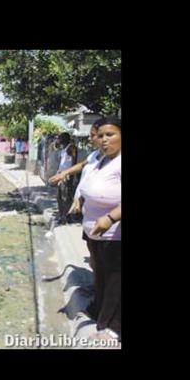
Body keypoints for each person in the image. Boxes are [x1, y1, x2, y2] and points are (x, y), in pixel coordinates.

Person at [78, 117, 121, 342]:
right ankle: (101, 316)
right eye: (101, 135)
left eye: (110, 134)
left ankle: (113, 329)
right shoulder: (102, 160)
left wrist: (111, 217)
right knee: (102, 278)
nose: (104, 140)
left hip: (115, 235)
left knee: (115, 282)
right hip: (96, 234)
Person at [54, 133, 78, 225]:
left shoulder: (71, 148)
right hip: (61, 175)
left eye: (60, 138)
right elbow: (63, 163)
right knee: (59, 197)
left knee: (66, 197)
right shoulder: (64, 148)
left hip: (67, 176)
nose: (59, 139)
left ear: (65, 139)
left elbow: (74, 162)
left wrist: (73, 175)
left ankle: (66, 217)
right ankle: (62, 216)